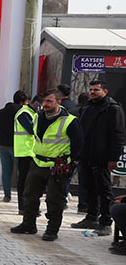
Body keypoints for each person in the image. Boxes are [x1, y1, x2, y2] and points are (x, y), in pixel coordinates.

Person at [10, 89, 82, 241]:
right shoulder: (37, 116)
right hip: (37, 162)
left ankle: (52, 229)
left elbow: (78, 144)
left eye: (49, 101)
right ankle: (28, 224)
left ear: (58, 102)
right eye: (44, 101)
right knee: (29, 195)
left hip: (58, 165)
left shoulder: (69, 120)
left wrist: (71, 163)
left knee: (55, 199)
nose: (45, 104)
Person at [71, 80, 126, 236]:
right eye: (91, 89)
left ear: (105, 91)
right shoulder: (87, 107)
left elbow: (118, 135)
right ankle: (91, 216)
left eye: (96, 89)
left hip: (101, 157)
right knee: (89, 188)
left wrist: (114, 157)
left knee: (104, 190)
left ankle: (106, 222)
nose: (92, 92)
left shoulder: (113, 109)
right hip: (86, 156)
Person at [0, 91, 30, 203]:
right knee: (22, 172)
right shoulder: (21, 112)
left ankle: (7, 195)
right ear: (21, 102)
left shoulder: (1, 112)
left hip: (2, 144)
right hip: (17, 145)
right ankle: (22, 196)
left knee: (6, 171)